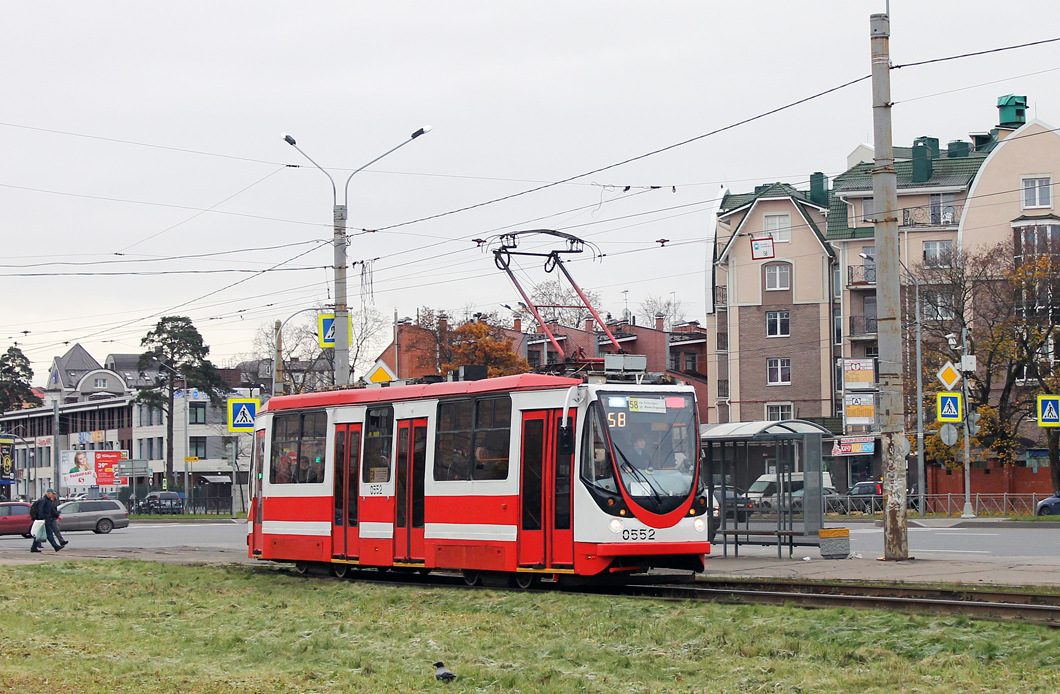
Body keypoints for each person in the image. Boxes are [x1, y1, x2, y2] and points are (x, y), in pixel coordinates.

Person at [30, 489, 66, 553]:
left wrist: (57, 516)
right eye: (52, 494)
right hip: (44, 520)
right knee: (49, 533)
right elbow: (41, 510)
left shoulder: (48, 501)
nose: (53, 495)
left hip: (47, 519)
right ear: (48, 493)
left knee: (40, 533)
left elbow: (52, 510)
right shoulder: (43, 500)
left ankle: (33, 547)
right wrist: (42, 518)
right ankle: (55, 546)